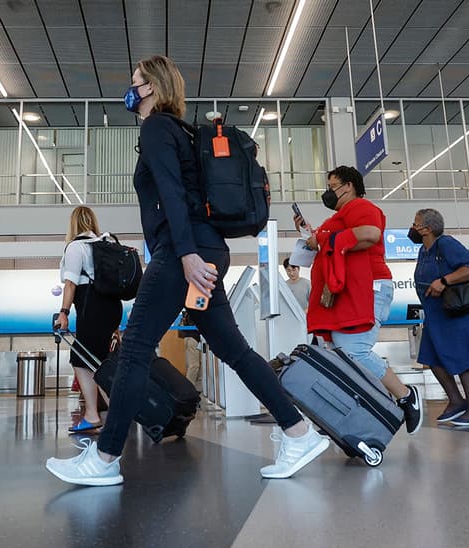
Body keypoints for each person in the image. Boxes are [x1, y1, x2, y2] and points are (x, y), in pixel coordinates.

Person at [46, 55, 328, 486]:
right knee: (235, 351)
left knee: (136, 349)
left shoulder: (158, 127)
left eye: (135, 81)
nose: (129, 88)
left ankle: (103, 459)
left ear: (152, 88)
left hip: (184, 255)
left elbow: (173, 197)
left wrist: (185, 255)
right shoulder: (181, 132)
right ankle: (299, 432)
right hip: (204, 250)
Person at [300, 166, 422, 433]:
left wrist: (325, 238)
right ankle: (359, 405)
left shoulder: (359, 206)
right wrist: (317, 240)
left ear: (348, 186)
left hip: (367, 287)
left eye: (332, 187)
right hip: (350, 290)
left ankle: (406, 396)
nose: (328, 193)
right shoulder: (343, 214)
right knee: (341, 354)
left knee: (354, 351)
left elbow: (370, 234)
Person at [410, 208, 469, 427]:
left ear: (427, 229)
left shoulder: (445, 244)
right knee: (431, 356)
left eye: (416, 224)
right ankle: (456, 400)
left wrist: (444, 281)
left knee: (465, 357)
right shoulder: (424, 251)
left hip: (459, 311)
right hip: (436, 313)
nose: (413, 228)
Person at [54, 206, 122, 433]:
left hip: (92, 308)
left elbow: (71, 284)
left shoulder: (76, 247)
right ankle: (109, 414)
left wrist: (63, 312)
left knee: (84, 360)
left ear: (73, 224)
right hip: (113, 307)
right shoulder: (109, 241)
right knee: (100, 360)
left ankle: (102, 416)